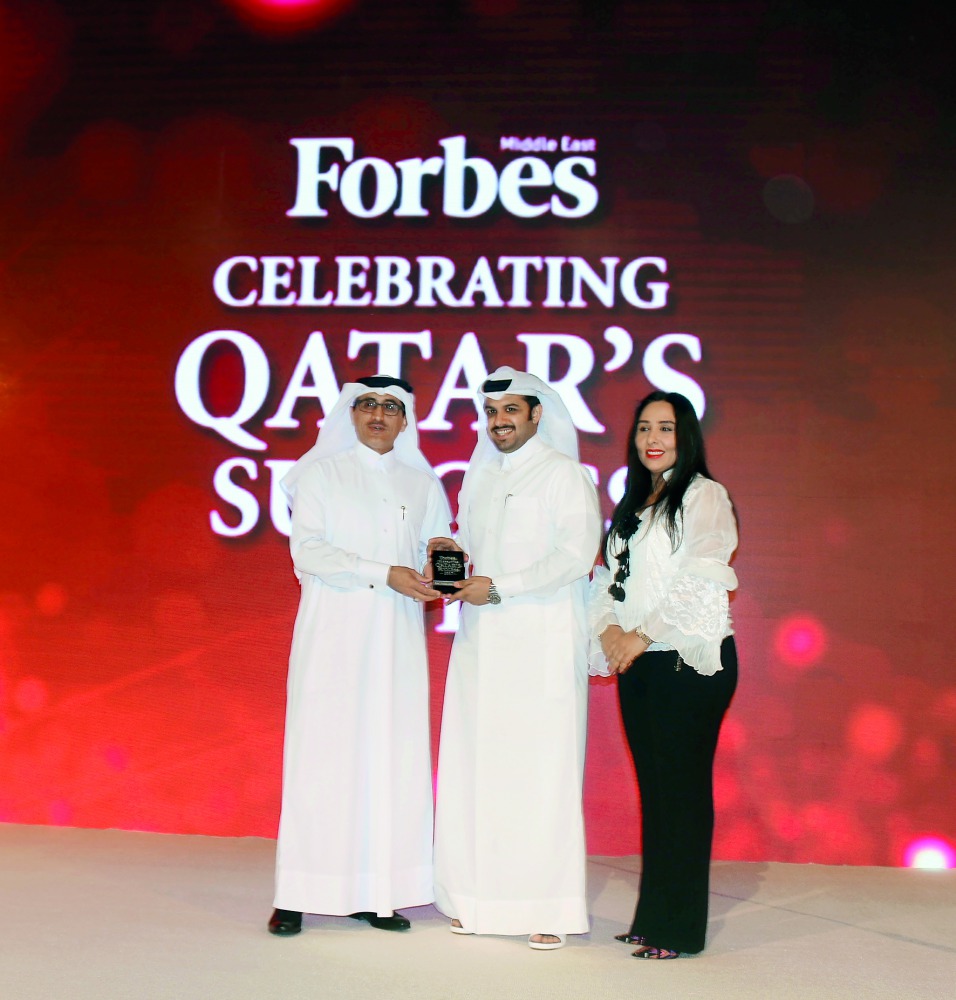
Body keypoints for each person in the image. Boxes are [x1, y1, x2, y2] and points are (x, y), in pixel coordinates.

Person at [268, 375, 452, 937]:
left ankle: (378, 893)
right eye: (367, 403)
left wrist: (439, 563)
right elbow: (309, 551)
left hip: (396, 638)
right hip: (334, 634)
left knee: (389, 757)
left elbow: (438, 545)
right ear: (351, 413)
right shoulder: (321, 475)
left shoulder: (422, 483)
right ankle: (297, 894)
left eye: (391, 406)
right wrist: (382, 572)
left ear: (406, 420)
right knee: (321, 757)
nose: (378, 414)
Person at [430, 366, 602, 951]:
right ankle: (475, 898)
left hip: (541, 641)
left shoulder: (564, 475)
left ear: (536, 414)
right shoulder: (479, 476)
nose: (499, 422)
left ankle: (546, 908)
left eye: (510, 410)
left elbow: (576, 554)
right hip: (482, 642)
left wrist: (501, 586)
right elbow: (474, 546)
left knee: (540, 771)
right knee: (478, 767)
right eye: (491, 412)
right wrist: (448, 553)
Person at [590, 390, 738, 959]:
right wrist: (609, 631)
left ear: (687, 436)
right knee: (656, 793)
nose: (653, 438)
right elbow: (610, 581)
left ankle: (679, 930)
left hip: (687, 662)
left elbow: (702, 576)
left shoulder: (703, 495)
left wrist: (641, 635)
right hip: (641, 664)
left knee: (681, 794)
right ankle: (653, 917)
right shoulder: (634, 503)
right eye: (645, 428)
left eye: (666, 428)